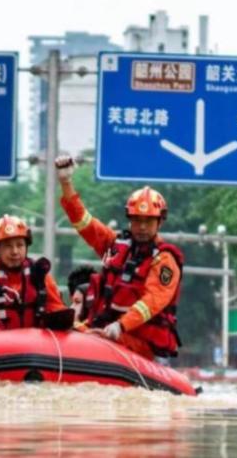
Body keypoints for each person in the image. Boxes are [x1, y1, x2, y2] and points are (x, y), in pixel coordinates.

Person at [55, 155, 184, 364]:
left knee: (91, 338)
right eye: (137, 220)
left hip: (139, 343)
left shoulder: (164, 260)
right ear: (130, 220)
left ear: (159, 222)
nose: (142, 227)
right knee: (66, 328)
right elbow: (84, 223)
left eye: (148, 221)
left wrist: (120, 326)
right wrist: (66, 183)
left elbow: (151, 302)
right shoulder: (115, 246)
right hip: (105, 332)